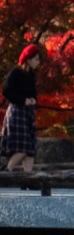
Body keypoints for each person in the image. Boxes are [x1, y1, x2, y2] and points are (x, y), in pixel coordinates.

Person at [1, 42, 42, 171]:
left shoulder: (31, 75)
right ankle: (6, 171)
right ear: (28, 59)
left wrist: (33, 100)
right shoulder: (16, 73)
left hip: (28, 113)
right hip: (17, 112)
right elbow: (6, 91)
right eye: (36, 59)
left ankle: (27, 179)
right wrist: (23, 100)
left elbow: (33, 93)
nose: (38, 62)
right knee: (24, 148)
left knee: (30, 150)